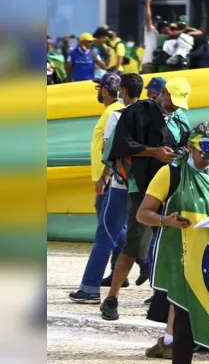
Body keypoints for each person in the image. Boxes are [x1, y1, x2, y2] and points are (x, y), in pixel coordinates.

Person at [137, 122, 209, 364]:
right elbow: (143, 214)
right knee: (184, 331)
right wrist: (166, 220)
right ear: (189, 147)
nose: (206, 160)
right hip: (184, 263)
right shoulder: (170, 174)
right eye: (202, 155)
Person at [100, 77, 192, 321]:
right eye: (172, 101)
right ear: (162, 93)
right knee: (136, 242)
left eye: (179, 104)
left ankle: (167, 298)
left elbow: (187, 144)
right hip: (143, 186)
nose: (174, 107)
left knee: (174, 243)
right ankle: (112, 297)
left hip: (172, 186)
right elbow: (121, 145)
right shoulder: (136, 112)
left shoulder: (180, 119)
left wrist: (182, 152)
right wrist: (154, 152)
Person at [68, 73, 127, 303]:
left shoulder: (113, 112)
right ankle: (138, 262)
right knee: (115, 228)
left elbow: (110, 150)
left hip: (110, 180)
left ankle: (91, 286)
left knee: (107, 230)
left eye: (99, 88)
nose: (97, 92)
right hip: (107, 179)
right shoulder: (110, 111)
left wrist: (104, 177)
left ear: (105, 90)